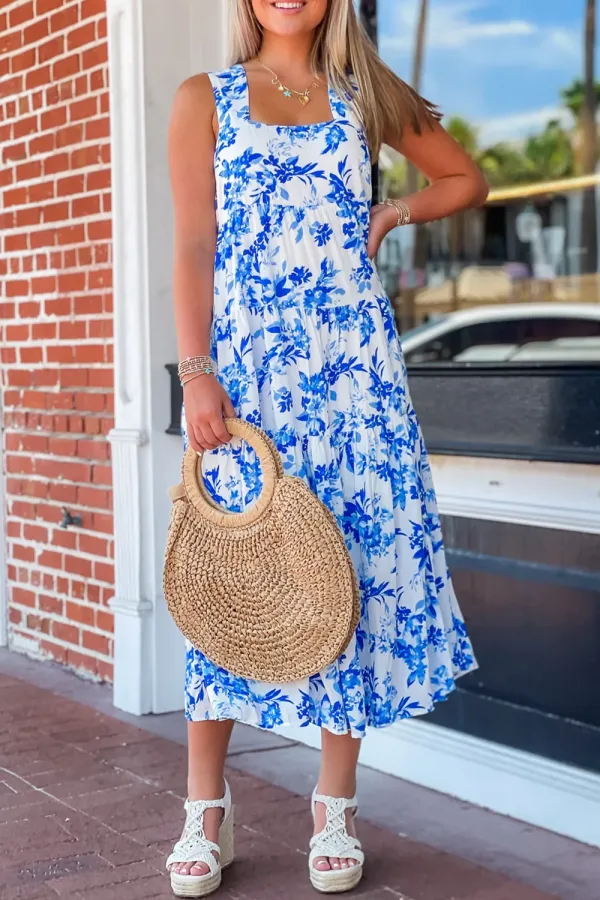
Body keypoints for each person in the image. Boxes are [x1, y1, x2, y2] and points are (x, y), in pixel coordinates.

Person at [167, 0, 486, 896]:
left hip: (356, 381)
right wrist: (197, 371)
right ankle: (205, 812)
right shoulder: (205, 97)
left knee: (346, 577)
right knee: (230, 577)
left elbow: (467, 181)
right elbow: (194, 244)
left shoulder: (366, 94)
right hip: (252, 385)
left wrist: (395, 214)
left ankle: (334, 805)